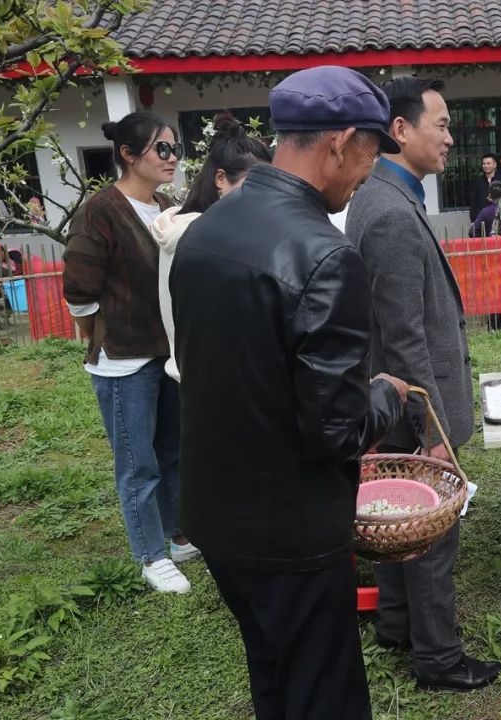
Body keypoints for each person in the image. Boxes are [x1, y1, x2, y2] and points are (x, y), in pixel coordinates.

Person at [170, 66, 409, 720]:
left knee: (274, 673)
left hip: (216, 516)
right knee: (324, 692)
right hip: (291, 532)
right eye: (368, 155)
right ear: (338, 142)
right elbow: (334, 430)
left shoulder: (205, 230)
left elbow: (231, 368)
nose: (367, 174)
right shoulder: (325, 255)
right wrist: (386, 396)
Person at [346, 75, 501, 693]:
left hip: (394, 404)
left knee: (395, 521)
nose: (449, 137)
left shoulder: (384, 198)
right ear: (400, 130)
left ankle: (394, 622)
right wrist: (433, 431)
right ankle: (438, 658)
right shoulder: (388, 211)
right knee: (430, 534)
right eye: (440, 124)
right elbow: (404, 336)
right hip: (413, 410)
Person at [62, 111, 199, 594]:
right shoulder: (101, 210)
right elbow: (78, 286)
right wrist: (95, 330)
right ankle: (150, 554)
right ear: (128, 154)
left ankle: (176, 534)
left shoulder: (163, 205)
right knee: (137, 461)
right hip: (122, 361)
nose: (172, 158)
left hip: (165, 353)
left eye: (175, 148)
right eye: (162, 149)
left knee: (172, 452)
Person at [151, 112, 272, 382]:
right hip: (216, 381)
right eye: (253, 185)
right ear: (220, 179)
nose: (263, 197)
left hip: (190, 374)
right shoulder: (207, 239)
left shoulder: (179, 226)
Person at [469, 152, 501, 221]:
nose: (486, 166)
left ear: (495, 165)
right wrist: (473, 220)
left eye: (488, 163)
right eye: (484, 164)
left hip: (500, 218)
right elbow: (474, 202)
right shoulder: (477, 182)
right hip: (481, 218)